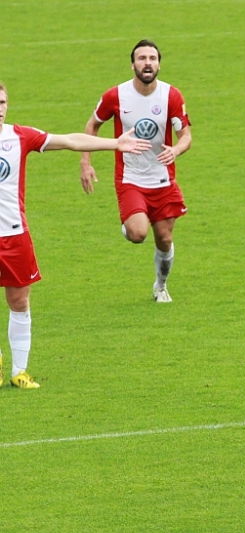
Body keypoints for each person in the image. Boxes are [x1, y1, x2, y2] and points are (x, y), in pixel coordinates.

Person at [0, 81, 149, 389]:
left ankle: (19, 371)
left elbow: (69, 140)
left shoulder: (19, 136)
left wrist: (115, 143)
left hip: (14, 236)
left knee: (19, 301)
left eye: (2, 103)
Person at [80, 39, 192, 303]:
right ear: (133, 65)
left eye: (152, 58)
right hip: (130, 178)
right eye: (142, 58)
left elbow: (186, 135)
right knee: (138, 234)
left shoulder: (171, 96)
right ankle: (131, 223)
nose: (147, 63)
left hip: (163, 179)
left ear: (159, 65)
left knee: (164, 238)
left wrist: (176, 150)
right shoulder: (116, 96)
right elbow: (92, 125)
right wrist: (86, 162)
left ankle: (160, 286)